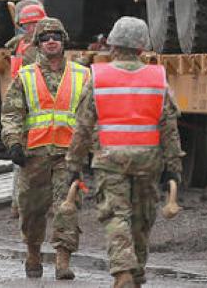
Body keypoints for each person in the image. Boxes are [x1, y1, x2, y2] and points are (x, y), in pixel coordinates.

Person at [66, 16, 183, 288]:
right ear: (142, 48)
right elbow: (169, 127)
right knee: (142, 217)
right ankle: (137, 272)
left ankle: (123, 272)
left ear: (111, 44)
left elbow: (83, 126)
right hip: (148, 160)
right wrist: (173, 165)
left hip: (110, 160)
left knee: (115, 215)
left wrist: (74, 163)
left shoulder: (99, 77)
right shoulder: (157, 78)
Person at [0, 17, 90, 280]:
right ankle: (33, 253)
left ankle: (63, 260)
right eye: (45, 37)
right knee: (31, 210)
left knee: (68, 207)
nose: (51, 41)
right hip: (33, 156)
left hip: (68, 156)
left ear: (64, 42)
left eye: (56, 37)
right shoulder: (25, 77)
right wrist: (14, 143)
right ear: (38, 44)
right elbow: (12, 113)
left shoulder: (82, 75)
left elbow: (90, 114)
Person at [0, 0, 48, 153]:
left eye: (36, 25)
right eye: (28, 26)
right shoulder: (21, 46)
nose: (32, 29)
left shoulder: (42, 47)